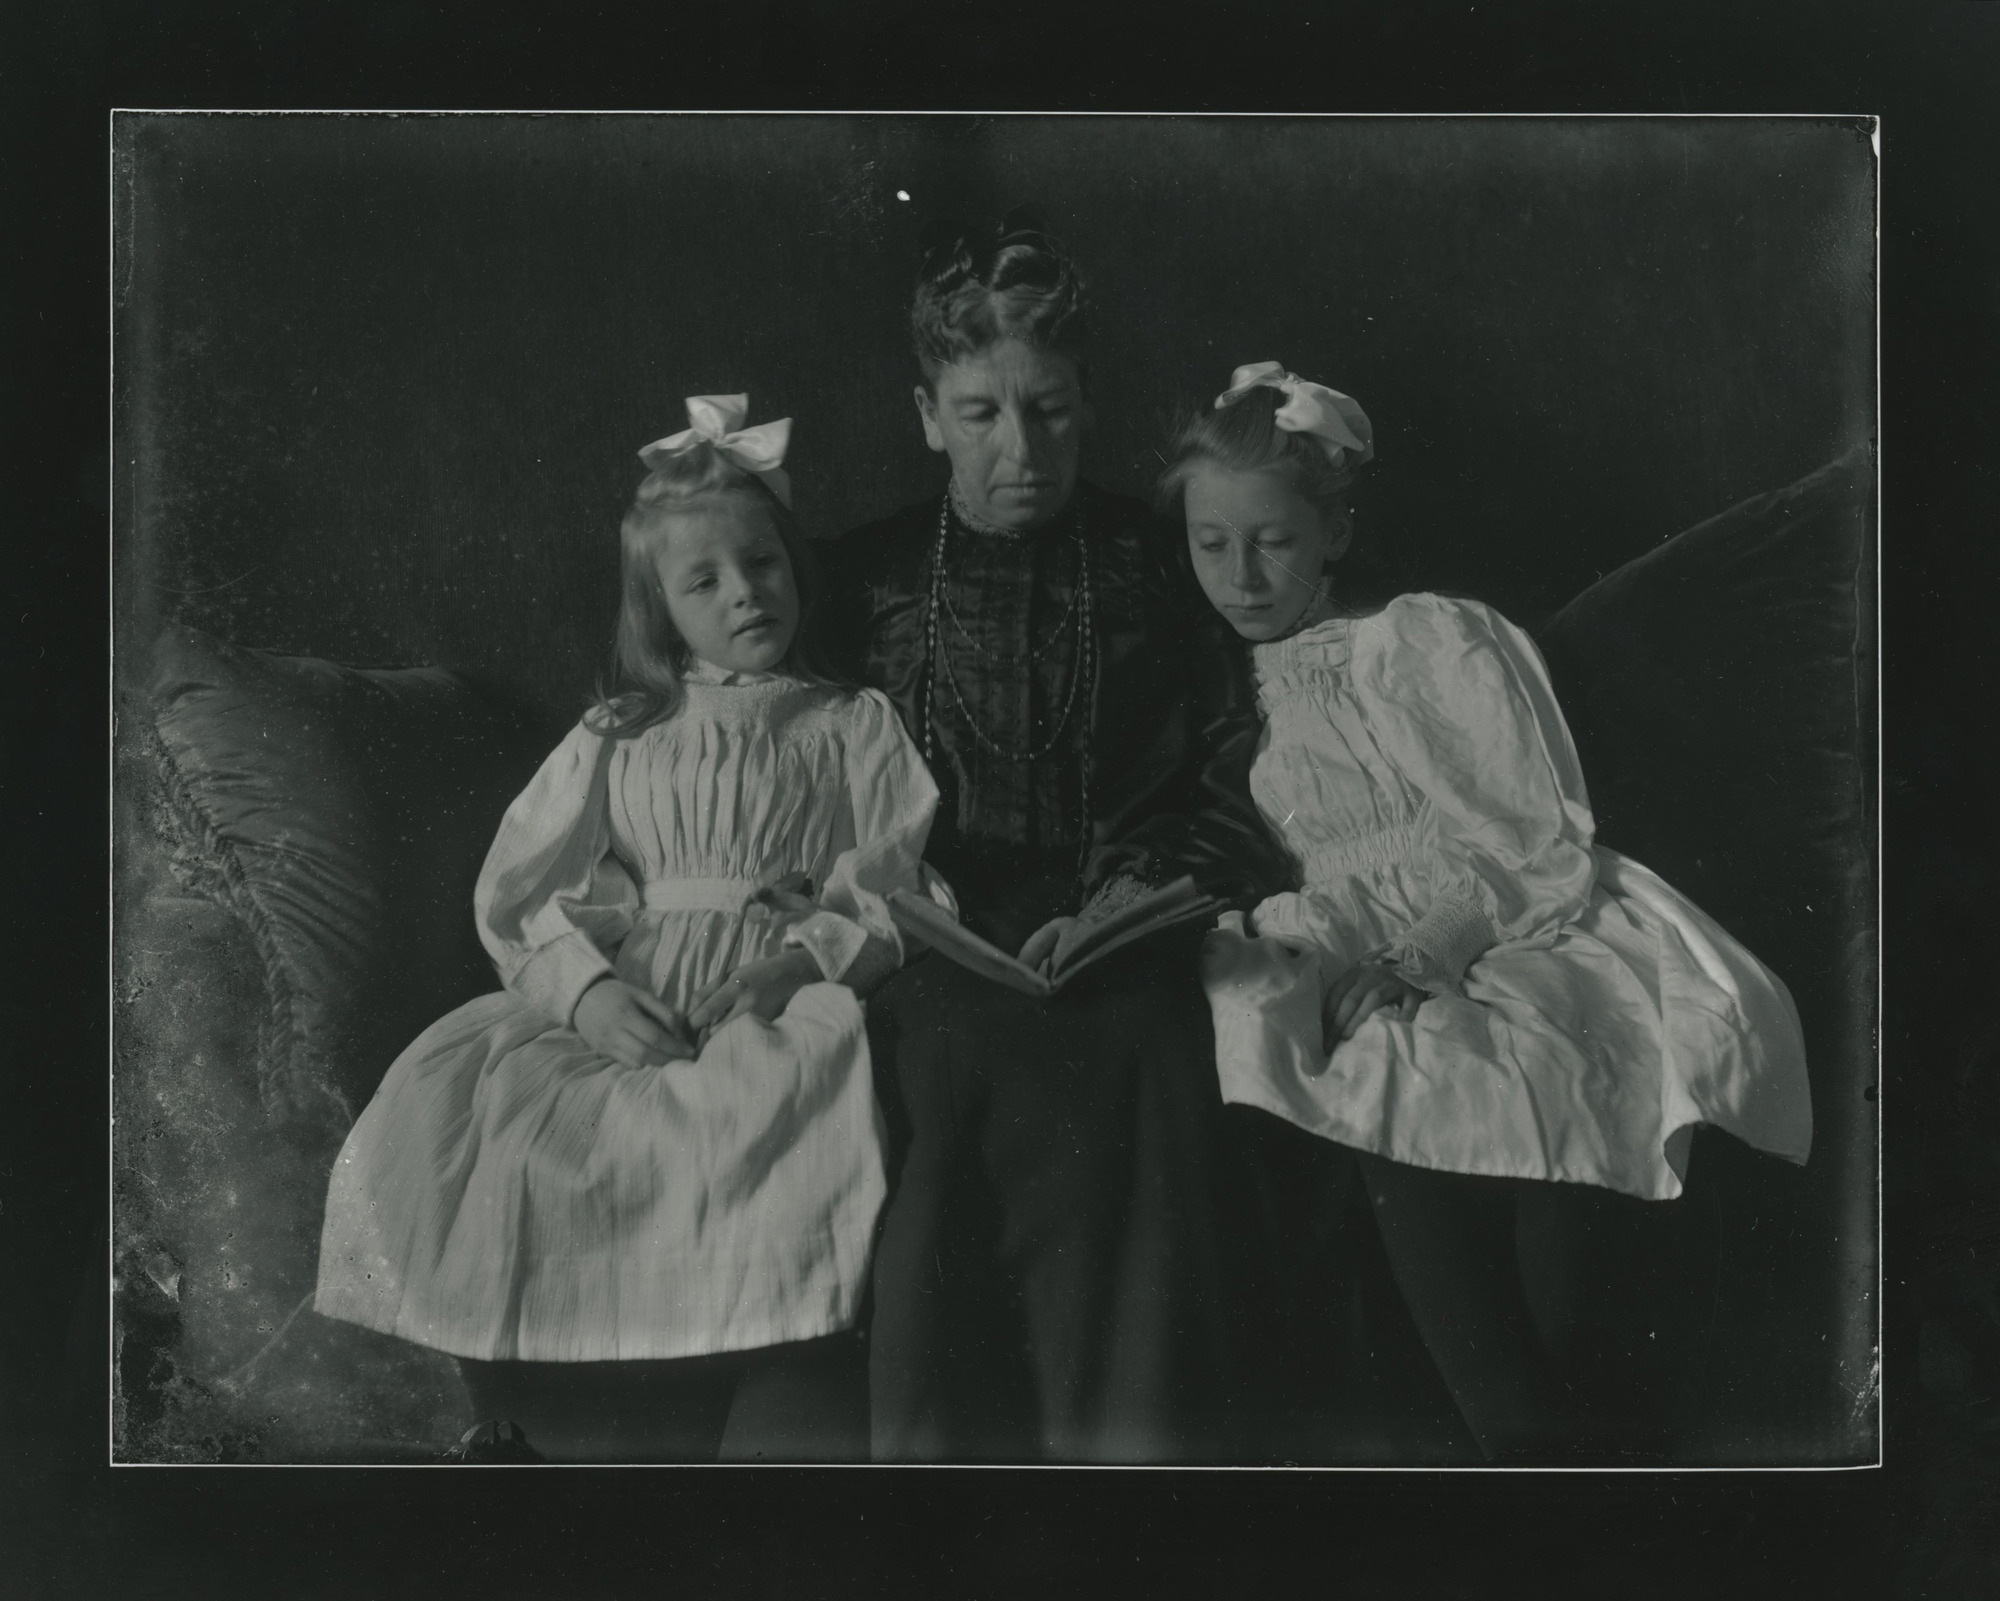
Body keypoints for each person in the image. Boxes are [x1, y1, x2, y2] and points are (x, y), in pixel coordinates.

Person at [1164, 362, 1816, 1461]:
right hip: (1353, 934)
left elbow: (1529, 837)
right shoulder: (1235, 691)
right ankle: (1526, 1441)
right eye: (1208, 544)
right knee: (1358, 1056)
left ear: (1332, 530)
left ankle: (1540, 1442)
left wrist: (1426, 952)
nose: (1239, 576)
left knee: (1503, 1060)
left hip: (1518, 922)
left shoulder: (1424, 638)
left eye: (1270, 541)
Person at [313, 396, 945, 1463]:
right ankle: (567, 1411)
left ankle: (741, 1371)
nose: (745, 592)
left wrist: (793, 963)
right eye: (704, 581)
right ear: (659, 607)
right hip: (635, 989)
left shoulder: (849, 722)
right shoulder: (622, 731)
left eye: (762, 564)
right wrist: (588, 993)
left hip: (768, 995)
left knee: (758, 1111)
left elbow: (892, 885)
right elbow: (521, 888)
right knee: (497, 1109)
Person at [821, 214, 1294, 1462]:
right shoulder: (857, 579)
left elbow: (1232, 771)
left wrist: (1145, 885)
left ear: (1087, 401)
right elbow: (790, 766)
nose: (1019, 450)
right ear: (927, 413)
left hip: (1117, 921)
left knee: (1140, 1046)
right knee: (940, 1055)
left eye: (1051, 410)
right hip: (925, 926)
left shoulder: (1160, 557)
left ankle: (1134, 1484)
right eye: (980, 415)